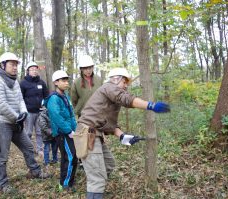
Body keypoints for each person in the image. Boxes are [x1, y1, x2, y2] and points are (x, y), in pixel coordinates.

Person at [75, 68, 170, 199]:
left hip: (94, 134)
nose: (126, 86)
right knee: (97, 178)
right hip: (88, 134)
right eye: (124, 81)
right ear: (115, 79)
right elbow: (125, 98)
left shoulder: (109, 98)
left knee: (108, 165)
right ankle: (95, 189)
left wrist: (122, 136)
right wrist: (151, 106)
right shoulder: (109, 87)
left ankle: (97, 189)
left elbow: (109, 124)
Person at [0, 52, 50, 194]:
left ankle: (34, 171)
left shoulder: (14, 80)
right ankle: (2, 183)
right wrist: (17, 117)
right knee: (2, 155)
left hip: (16, 121)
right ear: (3, 65)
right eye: (12, 64)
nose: (15, 67)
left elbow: (21, 100)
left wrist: (23, 113)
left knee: (28, 146)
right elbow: (2, 105)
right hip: (2, 123)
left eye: (16, 64)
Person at [43, 70, 78, 191]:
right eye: (63, 80)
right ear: (56, 82)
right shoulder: (54, 99)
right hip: (63, 133)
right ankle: (65, 184)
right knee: (71, 157)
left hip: (70, 132)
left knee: (67, 157)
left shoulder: (65, 96)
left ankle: (65, 181)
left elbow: (71, 115)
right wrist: (68, 131)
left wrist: (75, 128)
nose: (66, 82)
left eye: (67, 80)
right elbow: (56, 116)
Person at [20, 61, 48, 158]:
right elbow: (20, 98)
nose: (34, 71)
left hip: (40, 112)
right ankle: (28, 149)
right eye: (32, 69)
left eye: (36, 69)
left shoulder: (41, 83)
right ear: (28, 71)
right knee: (28, 132)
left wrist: (45, 106)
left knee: (39, 132)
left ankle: (39, 149)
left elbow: (46, 96)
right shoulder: (23, 83)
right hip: (28, 112)